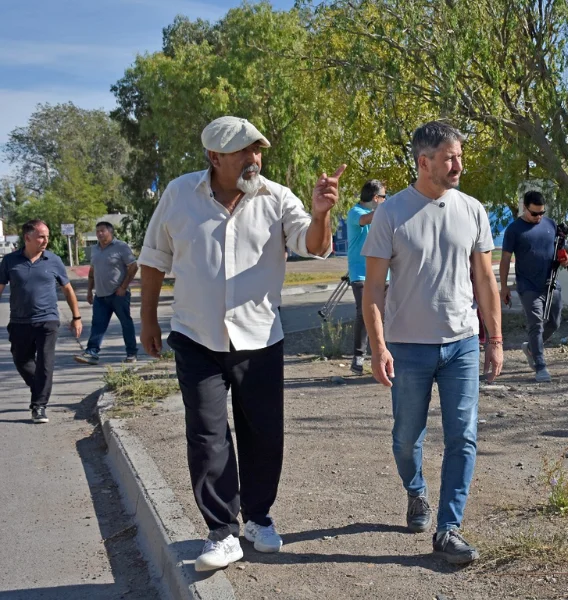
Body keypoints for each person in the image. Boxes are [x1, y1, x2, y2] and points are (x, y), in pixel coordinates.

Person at [137, 116, 344, 571]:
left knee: (264, 434)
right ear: (215, 157)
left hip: (260, 338)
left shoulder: (276, 197)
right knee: (208, 435)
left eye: (258, 151)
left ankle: (259, 519)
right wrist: (147, 318)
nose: (254, 160)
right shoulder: (179, 195)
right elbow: (153, 258)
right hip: (197, 337)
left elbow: (313, 245)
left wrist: (322, 212)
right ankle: (221, 530)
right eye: (244, 152)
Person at [362, 120, 503, 565]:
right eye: (449, 157)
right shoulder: (391, 213)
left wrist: (494, 338)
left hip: (461, 344)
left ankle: (449, 528)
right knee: (406, 438)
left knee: (464, 436)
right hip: (407, 348)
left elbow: (485, 278)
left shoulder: (473, 210)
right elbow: (373, 290)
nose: (458, 164)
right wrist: (378, 346)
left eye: (459, 155)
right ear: (424, 162)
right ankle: (416, 491)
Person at [0, 219, 83, 423]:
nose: (46, 240)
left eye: (47, 236)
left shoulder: (53, 260)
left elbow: (67, 289)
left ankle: (39, 406)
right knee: (21, 360)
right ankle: (39, 387)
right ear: (27, 237)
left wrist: (76, 317)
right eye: (41, 236)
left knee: (46, 363)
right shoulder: (10, 261)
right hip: (19, 321)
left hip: (48, 320)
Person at [499, 191, 568, 383]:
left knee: (554, 322)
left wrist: (564, 259)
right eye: (534, 213)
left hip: (550, 283)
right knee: (536, 324)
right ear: (524, 208)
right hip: (528, 285)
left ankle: (530, 347)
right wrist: (504, 287)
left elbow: (558, 250)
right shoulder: (514, 230)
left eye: (542, 213)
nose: (539, 217)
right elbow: (505, 260)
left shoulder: (550, 224)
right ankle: (540, 365)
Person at [74, 221, 138, 364]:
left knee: (126, 323)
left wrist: (123, 287)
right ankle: (91, 353)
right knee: (97, 324)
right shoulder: (95, 249)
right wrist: (89, 290)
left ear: (110, 232)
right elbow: (92, 271)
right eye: (97, 231)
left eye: (102, 231)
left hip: (118, 295)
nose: (99, 234)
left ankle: (131, 353)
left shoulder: (121, 247)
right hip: (100, 295)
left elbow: (133, 266)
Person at [346, 179, 387, 374]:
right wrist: (383, 208)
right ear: (375, 198)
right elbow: (365, 220)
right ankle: (358, 357)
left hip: (383, 274)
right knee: (364, 313)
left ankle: (381, 353)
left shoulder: (380, 214)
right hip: (360, 273)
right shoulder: (356, 212)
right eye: (384, 197)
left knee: (386, 315)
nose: (386, 200)